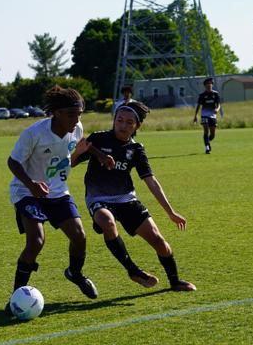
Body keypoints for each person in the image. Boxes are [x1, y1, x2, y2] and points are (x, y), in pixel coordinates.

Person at [5, 86, 114, 316]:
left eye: (80, 114)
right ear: (55, 113)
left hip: (58, 192)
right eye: (71, 114)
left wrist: (100, 156)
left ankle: (75, 273)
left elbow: (80, 146)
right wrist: (32, 184)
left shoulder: (76, 128)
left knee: (79, 236)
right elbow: (13, 162)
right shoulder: (34, 133)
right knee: (36, 241)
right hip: (26, 191)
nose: (77, 119)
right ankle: (17, 295)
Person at [72, 100, 196, 292]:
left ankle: (175, 281)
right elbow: (70, 163)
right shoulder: (98, 139)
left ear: (137, 126)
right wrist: (77, 153)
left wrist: (170, 212)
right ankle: (133, 270)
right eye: (119, 120)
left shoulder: (136, 150)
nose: (123, 125)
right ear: (114, 120)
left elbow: (151, 181)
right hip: (99, 199)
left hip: (126, 199)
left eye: (129, 122)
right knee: (107, 222)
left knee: (159, 242)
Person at [193, 77, 221, 154]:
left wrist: (217, 110)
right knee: (206, 131)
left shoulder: (215, 94)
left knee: (212, 135)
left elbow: (218, 105)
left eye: (210, 84)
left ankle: (207, 141)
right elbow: (198, 106)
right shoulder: (202, 95)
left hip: (212, 115)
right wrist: (195, 116)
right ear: (205, 85)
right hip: (204, 115)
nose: (209, 85)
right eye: (207, 84)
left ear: (212, 85)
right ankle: (207, 147)